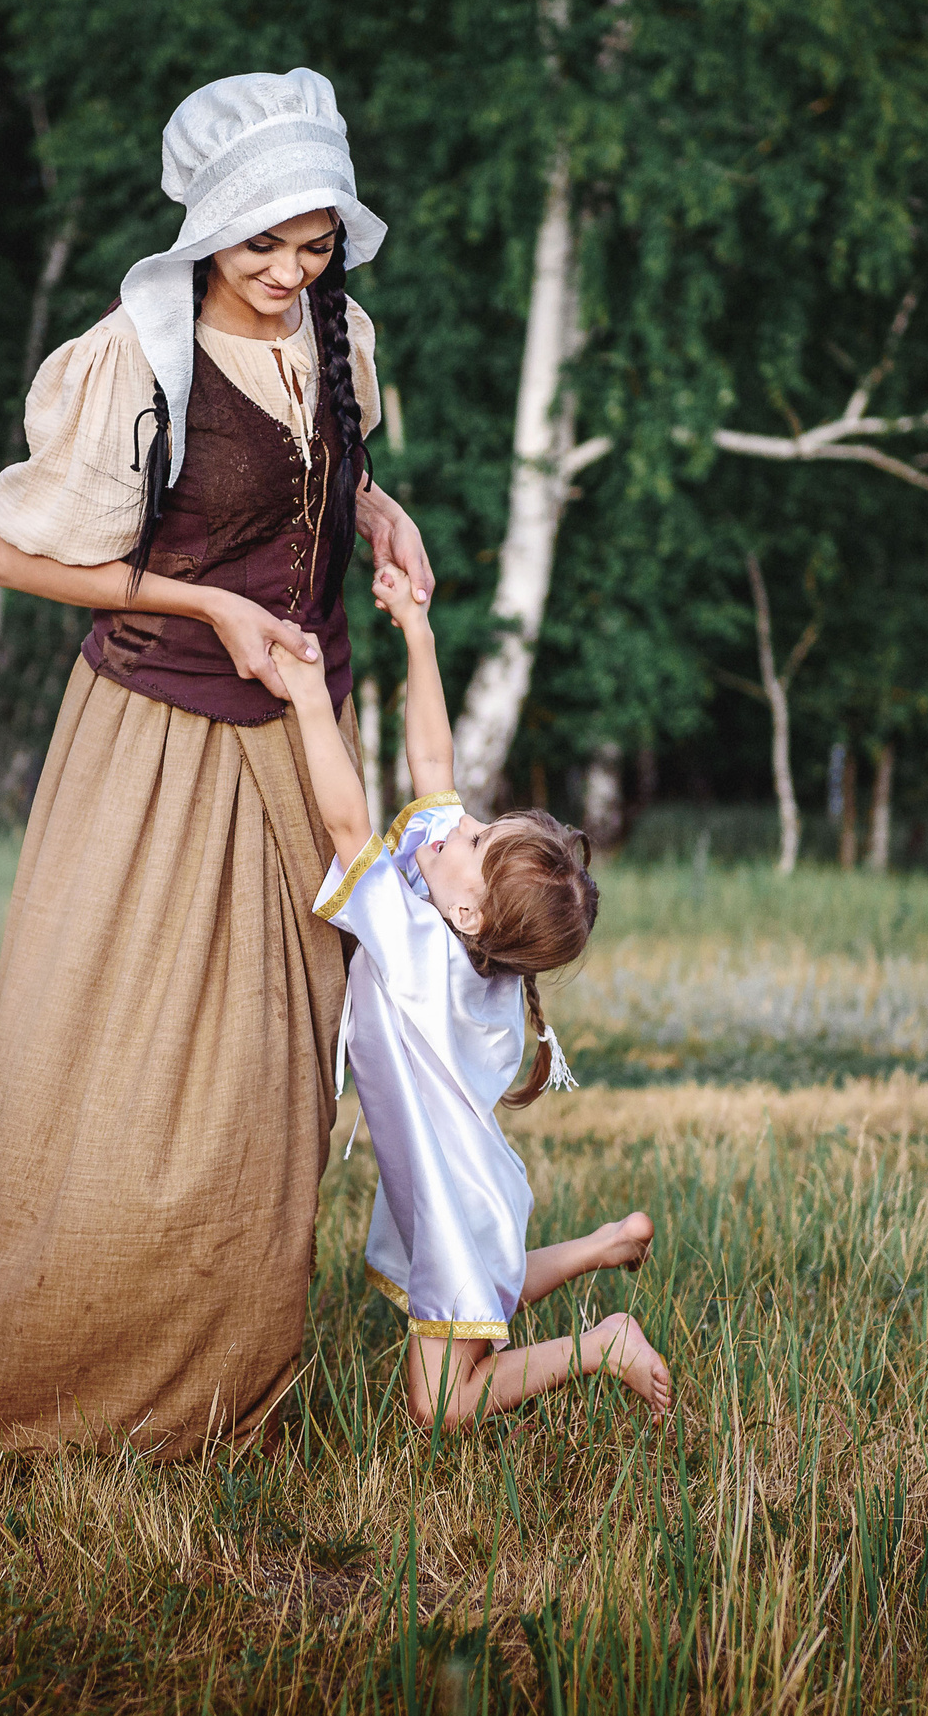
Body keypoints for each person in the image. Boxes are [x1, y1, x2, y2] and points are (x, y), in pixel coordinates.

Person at [0, 68, 435, 1461]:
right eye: (262, 243)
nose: (289, 272)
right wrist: (205, 605)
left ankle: (229, 1383)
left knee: (273, 1070)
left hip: (303, 736)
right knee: (132, 1061)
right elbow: (20, 557)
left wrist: (377, 512)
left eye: (315, 243)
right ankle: (72, 1379)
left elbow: (313, 472)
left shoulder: (339, 333)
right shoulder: (134, 359)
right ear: (209, 223)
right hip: (161, 740)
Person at [266, 565, 674, 1427]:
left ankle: (601, 1344)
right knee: (483, 1288)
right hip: (469, 1188)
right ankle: (602, 1245)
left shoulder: (422, 949)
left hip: (458, 1200)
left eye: (476, 837)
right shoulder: (473, 932)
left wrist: (307, 697)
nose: (458, 822)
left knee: (443, 1402)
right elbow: (434, 763)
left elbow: (347, 824)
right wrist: (417, 632)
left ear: (469, 911)